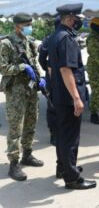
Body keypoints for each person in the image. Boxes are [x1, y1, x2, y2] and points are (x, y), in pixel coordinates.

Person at [48, 3, 96, 190]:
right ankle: (72, 178)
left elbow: (53, 69)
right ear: (69, 18)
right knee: (70, 137)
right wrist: (76, 98)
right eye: (77, 19)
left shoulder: (55, 36)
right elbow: (66, 69)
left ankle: (64, 167)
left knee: (62, 135)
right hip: (68, 97)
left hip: (60, 94)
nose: (79, 22)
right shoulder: (66, 38)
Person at [0, 13, 45, 181]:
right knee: (15, 127)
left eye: (30, 24)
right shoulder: (6, 43)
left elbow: (34, 63)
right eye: (26, 24)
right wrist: (21, 67)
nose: (29, 27)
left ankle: (27, 154)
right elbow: (3, 68)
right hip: (16, 91)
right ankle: (13, 163)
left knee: (31, 122)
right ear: (17, 25)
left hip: (30, 90)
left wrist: (40, 78)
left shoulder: (29, 41)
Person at [38, 17, 61, 145]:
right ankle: (54, 133)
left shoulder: (50, 38)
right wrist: (47, 68)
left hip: (55, 75)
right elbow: (42, 57)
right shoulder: (51, 39)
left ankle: (56, 133)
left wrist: (47, 67)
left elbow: (42, 58)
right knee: (53, 106)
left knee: (54, 105)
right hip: (55, 77)